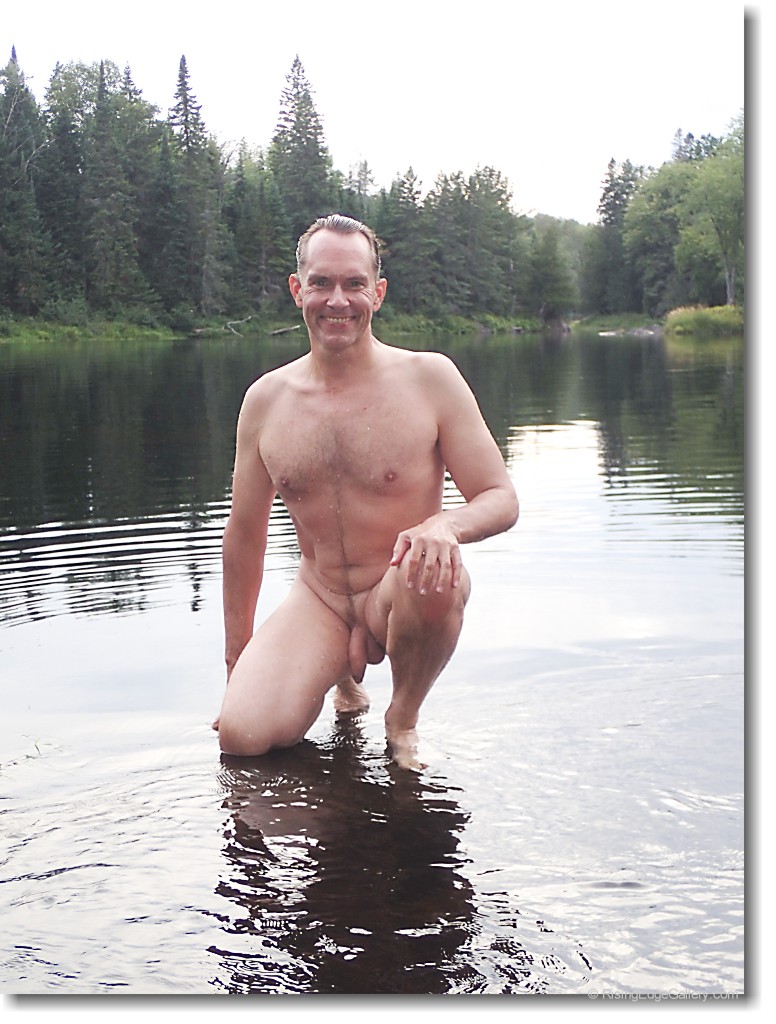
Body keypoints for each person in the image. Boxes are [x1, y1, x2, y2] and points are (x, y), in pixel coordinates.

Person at [215, 214, 518, 770]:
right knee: (242, 737)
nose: (338, 301)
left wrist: (445, 524)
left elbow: (500, 497)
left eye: (354, 284)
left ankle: (403, 717)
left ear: (377, 293)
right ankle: (341, 678)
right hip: (321, 597)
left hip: (399, 585)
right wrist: (237, 664)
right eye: (321, 283)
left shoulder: (430, 379)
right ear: (297, 289)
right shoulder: (265, 401)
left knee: (438, 572)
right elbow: (243, 536)